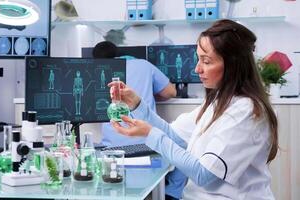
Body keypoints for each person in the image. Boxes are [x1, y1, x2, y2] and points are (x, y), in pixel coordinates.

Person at [109, 19, 278, 200]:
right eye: (198, 59)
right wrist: (137, 105)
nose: (197, 69)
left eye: (206, 61)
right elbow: (175, 137)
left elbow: (204, 175)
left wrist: (150, 134)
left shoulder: (246, 111)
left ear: (233, 65)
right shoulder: (218, 102)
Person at [93, 41, 181, 200]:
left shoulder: (95, 71)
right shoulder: (143, 65)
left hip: (111, 150)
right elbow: (171, 92)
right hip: (147, 146)